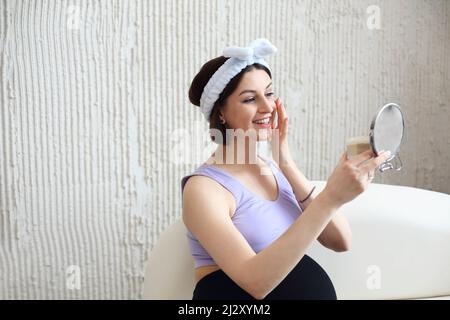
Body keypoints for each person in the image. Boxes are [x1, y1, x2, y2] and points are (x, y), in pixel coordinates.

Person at [181, 38, 391, 300]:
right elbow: (255, 282)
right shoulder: (203, 189)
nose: (268, 107)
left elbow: (341, 241)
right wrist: (331, 196)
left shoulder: (274, 169)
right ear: (220, 113)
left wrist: (286, 163)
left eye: (269, 93)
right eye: (250, 99)